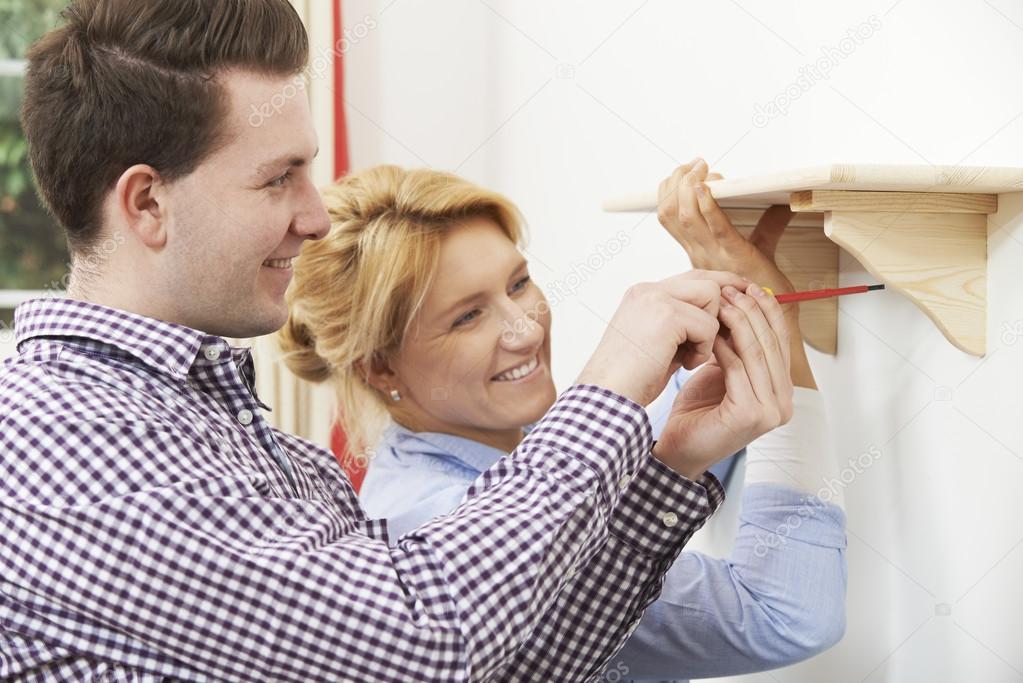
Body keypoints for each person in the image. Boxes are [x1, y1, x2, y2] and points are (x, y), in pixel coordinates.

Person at [0, 1, 794, 681]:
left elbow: (500, 665)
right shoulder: (58, 441)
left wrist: (670, 464)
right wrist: (611, 383)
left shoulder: (257, 448)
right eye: (277, 179)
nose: (315, 216)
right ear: (146, 204)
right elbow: (427, 639)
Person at [280, 161, 847, 682]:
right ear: (379, 367)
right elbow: (783, 615)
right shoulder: (440, 524)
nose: (524, 330)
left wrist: (741, 303)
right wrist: (779, 332)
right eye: (468, 316)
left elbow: (664, 434)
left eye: (518, 284)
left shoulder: (513, 441)